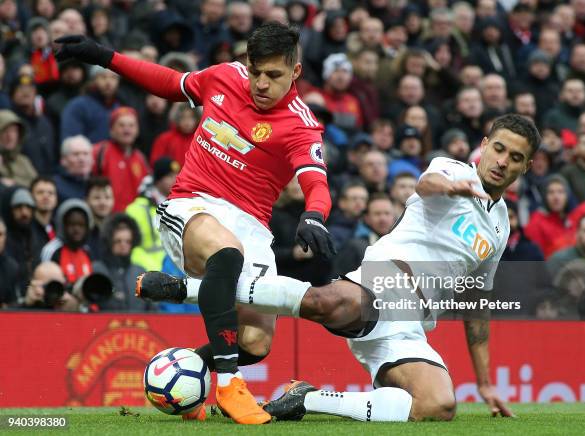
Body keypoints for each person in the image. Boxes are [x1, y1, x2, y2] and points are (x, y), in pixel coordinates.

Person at [142, 114, 537, 421]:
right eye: (499, 149)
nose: (502, 162)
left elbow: (476, 302)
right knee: (329, 305)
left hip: (413, 323)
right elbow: (427, 183)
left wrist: (485, 383)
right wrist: (450, 187)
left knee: (438, 406)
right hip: (387, 278)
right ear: (484, 145)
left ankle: (307, 399)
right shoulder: (454, 171)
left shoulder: (500, 226)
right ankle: (184, 289)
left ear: (527, 166)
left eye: (515, 157)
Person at [55, 22, 334, 424]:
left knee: (255, 341)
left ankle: (185, 379)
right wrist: (104, 56)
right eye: (255, 70)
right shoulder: (224, 76)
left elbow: (316, 182)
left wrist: (314, 216)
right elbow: (171, 82)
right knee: (227, 253)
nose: (259, 82)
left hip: (252, 226)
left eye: (272, 75)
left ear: (295, 72)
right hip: (193, 203)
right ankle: (228, 384)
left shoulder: (300, 124)